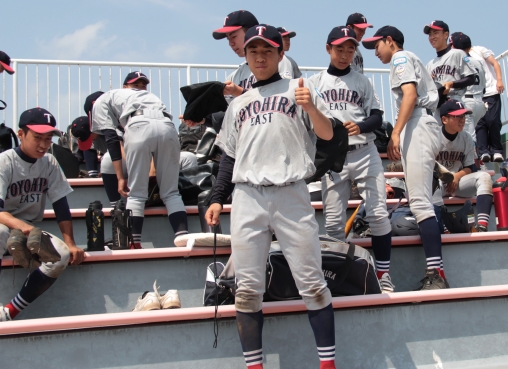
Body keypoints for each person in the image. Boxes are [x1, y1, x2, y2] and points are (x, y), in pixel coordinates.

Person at [205, 24, 337, 369]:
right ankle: (255, 365)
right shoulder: (239, 103)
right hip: (247, 196)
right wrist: (218, 197)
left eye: (267, 51)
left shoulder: (299, 87)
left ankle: (328, 364)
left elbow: (327, 135)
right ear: (246, 56)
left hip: (290, 192)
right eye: (254, 51)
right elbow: (229, 157)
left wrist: (312, 109)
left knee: (312, 283)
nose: (260, 57)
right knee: (247, 290)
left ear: (281, 54)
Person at [308, 26, 394, 292]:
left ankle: (383, 274)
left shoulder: (362, 81)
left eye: (350, 49)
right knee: (333, 223)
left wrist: (361, 126)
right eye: (339, 49)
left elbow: (377, 117)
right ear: (328, 49)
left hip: (364, 151)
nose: (345, 54)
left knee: (378, 214)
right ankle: (337, 277)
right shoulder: (314, 82)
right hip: (334, 155)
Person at [362, 26, 448, 290]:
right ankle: (435, 271)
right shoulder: (408, 57)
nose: (375, 51)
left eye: (377, 45)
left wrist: (396, 132)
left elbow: (410, 95)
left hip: (418, 123)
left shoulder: (400, 57)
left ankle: (437, 274)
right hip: (422, 122)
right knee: (420, 201)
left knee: (420, 203)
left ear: (390, 41)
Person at [0, 108, 84, 321]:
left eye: (48, 138)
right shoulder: (5, 161)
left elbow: (61, 204)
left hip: (28, 228)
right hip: (5, 222)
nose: (44, 144)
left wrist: (70, 243)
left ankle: (10, 311)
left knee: (61, 254)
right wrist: (22, 227)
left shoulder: (49, 162)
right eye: (37, 137)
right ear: (21, 134)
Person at [90, 78, 189, 249]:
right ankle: (183, 240)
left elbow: (111, 139)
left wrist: (120, 177)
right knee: (172, 193)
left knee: (136, 194)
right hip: (167, 125)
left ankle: (134, 244)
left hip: (138, 124)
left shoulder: (100, 101)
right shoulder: (143, 95)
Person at [212, 10, 301, 106]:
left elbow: (282, 99)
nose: (231, 43)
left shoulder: (278, 61)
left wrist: (239, 92)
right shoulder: (236, 74)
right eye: (228, 38)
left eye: (233, 36)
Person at [434, 100, 494, 232]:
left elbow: (471, 167)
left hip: (457, 182)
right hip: (438, 182)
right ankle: (445, 228)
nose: (462, 120)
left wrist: (456, 176)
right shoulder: (433, 136)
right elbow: (427, 165)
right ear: (444, 119)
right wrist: (448, 177)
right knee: (432, 184)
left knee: (484, 177)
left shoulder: (466, 138)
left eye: (463, 116)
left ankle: (482, 226)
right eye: (457, 116)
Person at [423, 21, 480, 140]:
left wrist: (452, 84)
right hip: (438, 108)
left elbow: (471, 78)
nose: (432, 37)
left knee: (465, 140)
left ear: (446, 34)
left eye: (435, 32)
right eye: (430, 34)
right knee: (439, 142)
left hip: (455, 102)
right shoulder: (430, 64)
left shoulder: (457, 54)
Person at [449, 32, 486, 144]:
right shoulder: (478, 62)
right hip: (480, 102)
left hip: (467, 101)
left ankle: (474, 155)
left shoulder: (458, 61)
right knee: (466, 136)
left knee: (469, 138)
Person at [470, 45, 505, 163]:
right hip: (476, 94)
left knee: (493, 121)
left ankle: (496, 150)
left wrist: (499, 80)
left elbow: (495, 63)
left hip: (491, 91)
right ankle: (483, 151)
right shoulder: (458, 57)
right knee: (480, 124)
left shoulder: (478, 50)